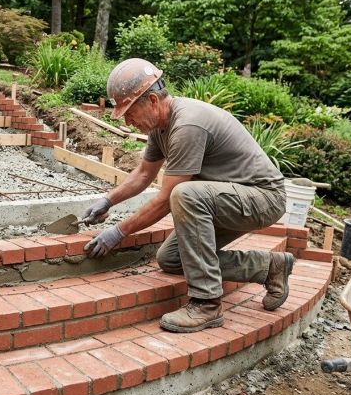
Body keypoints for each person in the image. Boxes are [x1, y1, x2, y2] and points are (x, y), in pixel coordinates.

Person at [82, 58, 293, 333]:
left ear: (154, 100)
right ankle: (268, 267)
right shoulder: (160, 128)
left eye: (130, 112)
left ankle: (206, 304)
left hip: (263, 198)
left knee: (184, 195)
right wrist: (108, 200)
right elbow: (144, 173)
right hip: (228, 198)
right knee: (171, 259)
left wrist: (118, 232)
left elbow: (167, 199)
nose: (129, 121)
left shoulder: (187, 125)